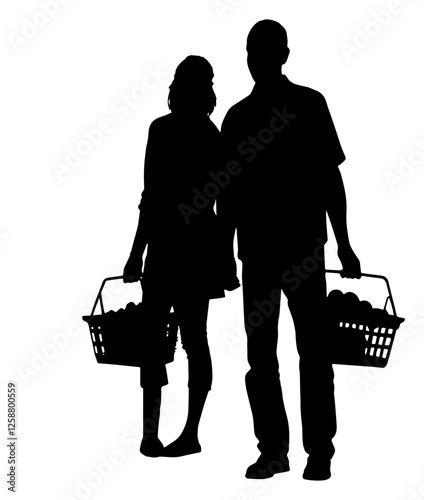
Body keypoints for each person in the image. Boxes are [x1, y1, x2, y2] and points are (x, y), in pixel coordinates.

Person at [218, 20, 361, 480]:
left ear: (282, 55)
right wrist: (224, 251)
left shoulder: (306, 105)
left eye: (261, 51)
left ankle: (316, 451)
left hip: (298, 249)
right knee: (267, 355)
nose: (255, 60)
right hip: (264, 251)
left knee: (308, 352)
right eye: (250, 52)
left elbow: (329, 179)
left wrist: (344, 243)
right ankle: (276, 451)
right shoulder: (239, 118)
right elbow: (228, 194)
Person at [123, 55, 239, 459]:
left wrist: (136, 253)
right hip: (198, 249)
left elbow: (151, 198)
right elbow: (226, 206)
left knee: (154, 338)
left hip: (167, 247)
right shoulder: (213, 136)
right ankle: (188, 432)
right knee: (194, 340)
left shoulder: (164, 130)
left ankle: (152, 434)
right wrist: (225, 258)